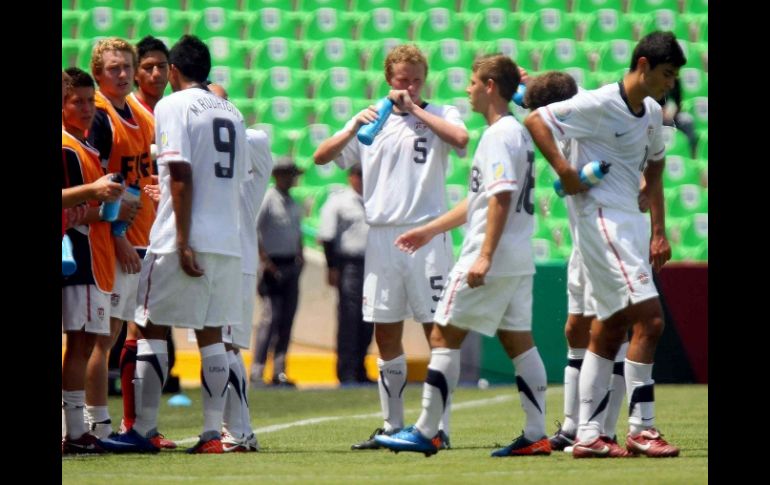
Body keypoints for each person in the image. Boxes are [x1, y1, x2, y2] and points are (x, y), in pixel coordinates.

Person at [374, 54, 550, 457]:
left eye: (473, 82)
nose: (468, 89)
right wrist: (430, 229)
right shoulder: (518, 133)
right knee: (519, 341)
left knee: (442, 335)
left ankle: (426, 430)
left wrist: (484, 256)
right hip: (519, 256)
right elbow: (479, 200)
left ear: (490, 87)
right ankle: (536, 432)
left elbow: (501, 198)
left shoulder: (499, 135)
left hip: (490, 254)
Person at [524, 31, 685, 458]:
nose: (671, 84)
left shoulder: (650, 111)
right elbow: (536, 120)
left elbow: (655, 165)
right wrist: (565, 169)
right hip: (600, 224)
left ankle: (590, 435)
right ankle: (641, 428)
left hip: (629, 227)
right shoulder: (597, 103)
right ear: (644, 66)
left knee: (610, 328)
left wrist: (658, 230)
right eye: (667, 74)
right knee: (650, 322)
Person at [313, 44, 468, 450]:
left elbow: (461, 138)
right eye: (403, 80)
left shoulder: (439, 112)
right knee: (386, 330)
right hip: (381, 236)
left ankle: (437, 426)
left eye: (417, 79)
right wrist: (350, 127)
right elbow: (321, 157)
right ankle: (392, 424)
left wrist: (417, 110)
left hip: (427, 233)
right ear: (389, 80)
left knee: (437, 330)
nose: (410, 87)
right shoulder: (371, 119)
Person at [101, 35, 250, 454]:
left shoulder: (172, 105)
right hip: (227, 236)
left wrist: (183, 240)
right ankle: (210, 435)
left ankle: (143, 428)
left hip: (183, 234)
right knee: (211, 333)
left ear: (175, 71)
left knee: (148, 323)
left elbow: (180, 172)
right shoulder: (232, 111)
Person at [523, 72, 630, 456]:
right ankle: (572, 426)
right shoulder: (564, 114)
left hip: (606, 238)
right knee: (575, 330)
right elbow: (534, 100)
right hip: (581, 244)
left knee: (612, 335)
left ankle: (607, 429)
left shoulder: (593, 115)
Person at [83, 37, 155, 442]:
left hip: (141, 239)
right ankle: (93, 424)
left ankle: (116, 424)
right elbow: (101, 182)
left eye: (127, 66)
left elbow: (139, 175)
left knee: (117, 335)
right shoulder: (100, 115)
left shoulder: (140, 116)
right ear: (98, 74)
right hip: (114, 243)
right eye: (114, 68)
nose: (124, 74)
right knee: (100, 337)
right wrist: (118, 236)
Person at [111, 36, 176, 448]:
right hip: (128, 236)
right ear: (137, 71)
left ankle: (140, 426)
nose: (155, 73)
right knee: (122, 330)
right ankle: (126, 423)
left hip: (162, 234)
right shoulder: (128, 113)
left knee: (152, 328)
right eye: (148, 66)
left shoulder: (172, 114)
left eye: (162, 66)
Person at [206, 82, 275, 451]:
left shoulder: (253, 140)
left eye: (216, 104)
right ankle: (230, 427)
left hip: (237, 257)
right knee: (219, 343)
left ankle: (241, 431)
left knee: (228, 344)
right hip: (219, 254)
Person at [61, 67, 117, 454]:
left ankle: (78, 427)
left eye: (89, 101)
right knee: (80, 342)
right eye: (76, 101)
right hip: (77, 254)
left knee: (87, 340)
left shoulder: (85, 145)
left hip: (91, 253)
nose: (85, 108)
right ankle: (75, 430)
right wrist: (95, 193)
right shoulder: (66, 146)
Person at [250, 157, 305, 388]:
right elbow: (255, 230)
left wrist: (300, 255)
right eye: (288, 174)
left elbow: (296, 232)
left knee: (287, 320)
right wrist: (265, 261)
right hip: (273, 264)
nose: (292, 178)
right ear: (278, 175)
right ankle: (257, 370)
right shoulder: (268, 199)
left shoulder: (293, 202)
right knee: (270, 319)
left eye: (293, 174)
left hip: (291, 264)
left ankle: (280, 370)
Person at [318, 163, 373, 385]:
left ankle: (360, 367)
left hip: (372, 265)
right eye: (359, 175)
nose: (362, 179)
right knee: (349, 318)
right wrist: (332, 267)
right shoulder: (339, 201)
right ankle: (346, 370)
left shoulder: (373, 200)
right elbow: (327, 236)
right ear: (351, 177)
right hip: (349, 264)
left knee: (368, 319)